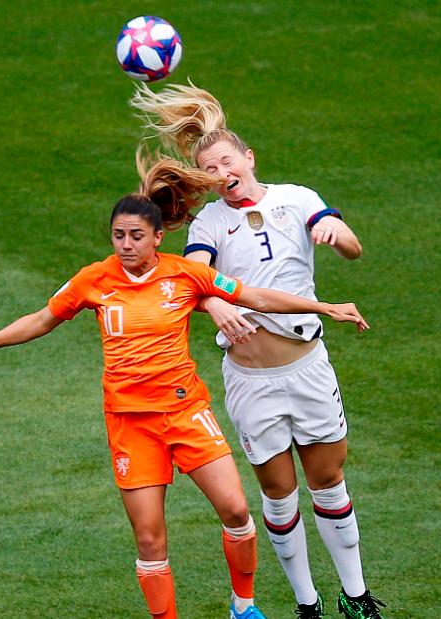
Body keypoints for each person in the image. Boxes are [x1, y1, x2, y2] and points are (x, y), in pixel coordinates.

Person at [0, 155, 370, 619]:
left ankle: (243, 608)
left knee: (237, 512)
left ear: (158, 237)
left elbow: (255, 296)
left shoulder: (184, 274)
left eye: (136, 236)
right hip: (130, 423)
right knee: (149, 538)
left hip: (186, 413)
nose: (126, 245)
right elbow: (43, 319)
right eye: (118, 235)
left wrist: (323, 307)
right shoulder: (94, 279)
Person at [130, 82, 386, 619]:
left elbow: (352, 248)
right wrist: (213, 305)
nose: (224, 174)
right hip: (250, 381)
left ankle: (356, 595)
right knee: (279, 493)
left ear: (248, 158)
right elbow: (194, 278)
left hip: (308, 367)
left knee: (329, 481)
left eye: (228, 162)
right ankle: (306, 603)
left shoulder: (298, 198)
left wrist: (339, 232)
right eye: (211, 170)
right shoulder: (209, 223)